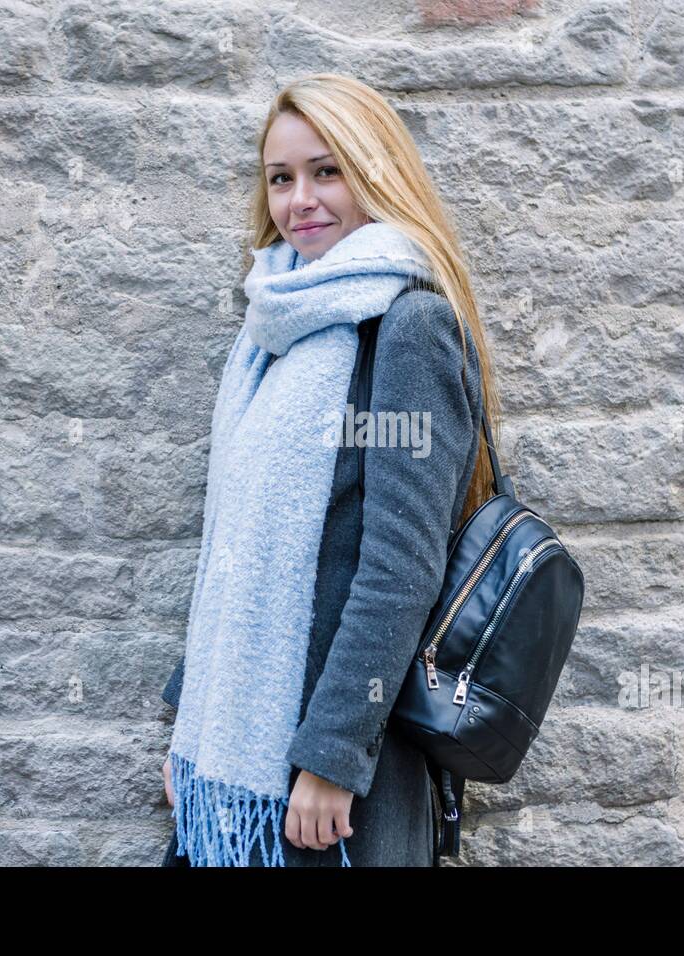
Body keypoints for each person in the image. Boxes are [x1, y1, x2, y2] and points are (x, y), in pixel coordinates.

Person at [158, 73, 503, 867]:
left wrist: (332, 758)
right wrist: (193, 726)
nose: (299, 200)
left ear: (376, 172)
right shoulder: (271, 327)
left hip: (338, 773)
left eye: (327, 170)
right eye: (281, 178)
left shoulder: (408, 324)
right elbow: (231, 544)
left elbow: (400, 566)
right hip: (240, 754)